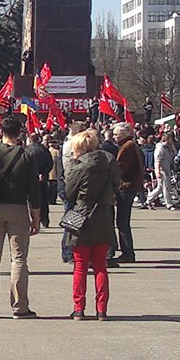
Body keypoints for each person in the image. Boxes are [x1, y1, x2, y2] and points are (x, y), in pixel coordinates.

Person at [0, 116, 41, 319]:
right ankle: (20, 306)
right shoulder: (27, 156)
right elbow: (34, 189)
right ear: (20, 132)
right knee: (19, 258)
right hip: (18, 208)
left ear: (0, 131)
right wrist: (35, 217)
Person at [64, 128, 120, 320]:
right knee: (100, 266)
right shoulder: (110, 160)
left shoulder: (79, 166)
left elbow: (68, 193)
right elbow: (116, 183)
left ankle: (79, 308)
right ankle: (102, 309)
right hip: (104, 215)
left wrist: (70, 167)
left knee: (80, 266)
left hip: (82, 216)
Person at [110, 123, 143, 265]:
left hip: (126, 187)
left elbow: (120, 168)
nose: (114, 137)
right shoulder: (129, 145)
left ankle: (127, 252)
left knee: (122, 222)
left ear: (124, 134)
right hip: (129, 186)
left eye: (116, 135)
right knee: (123, 221)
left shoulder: (127, 147)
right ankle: (126, 251)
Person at [24, 133, 53, 228]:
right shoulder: (44, 149)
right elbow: (50, 163)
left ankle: (33, 218)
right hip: (43, 179)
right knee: (44, 199)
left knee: (32, 200)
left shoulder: (27, 150)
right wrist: (43, 173)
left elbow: (26, 164)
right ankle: (45, 220)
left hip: (31, 178)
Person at [146, 131, 178, 210]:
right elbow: (157, 160)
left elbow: (174, 153)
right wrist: (157, 171)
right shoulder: (160, 148)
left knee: (160, 187)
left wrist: (172, 146)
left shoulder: (168, 147)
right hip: (162, 169)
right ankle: (169, 204)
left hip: (167, 168)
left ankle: (148, 200)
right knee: (166, 187)